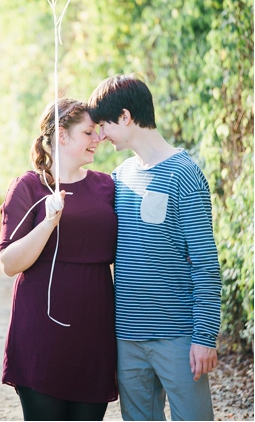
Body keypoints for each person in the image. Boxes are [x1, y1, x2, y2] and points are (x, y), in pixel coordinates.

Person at [88, 75, 221, 421]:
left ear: (126, 117)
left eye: (103, 125)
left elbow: (205, 262)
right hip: (127, 339)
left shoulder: (184, 174)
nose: (100, 135)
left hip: (177, 337)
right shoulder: (120, 176)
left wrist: (205, 336)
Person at [0, 98, 118, 421]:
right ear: (61, 136)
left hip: (94, 330)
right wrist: (49, 223)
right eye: (89, 132)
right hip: (41, 332)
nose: (99, 139)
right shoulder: (29, 187)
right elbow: (9, 263)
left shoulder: (108, 186)